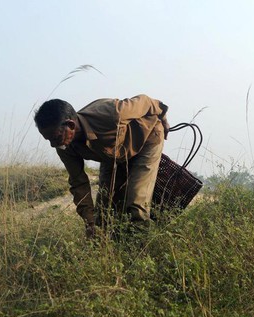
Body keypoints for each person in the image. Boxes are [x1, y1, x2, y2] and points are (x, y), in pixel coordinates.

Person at [34, 94, 169, 238]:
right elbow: (78, 182)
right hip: (112, 154)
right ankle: (109, 249)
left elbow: (147, 102)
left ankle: (138, 253)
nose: (53, 145)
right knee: (103, 211)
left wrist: (164, 118)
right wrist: (90, 222)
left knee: (136, 204)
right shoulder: (63, 146)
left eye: (55, 138)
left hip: (147, 140)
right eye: (49, 140)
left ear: (71, 125)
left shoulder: (111, 113)